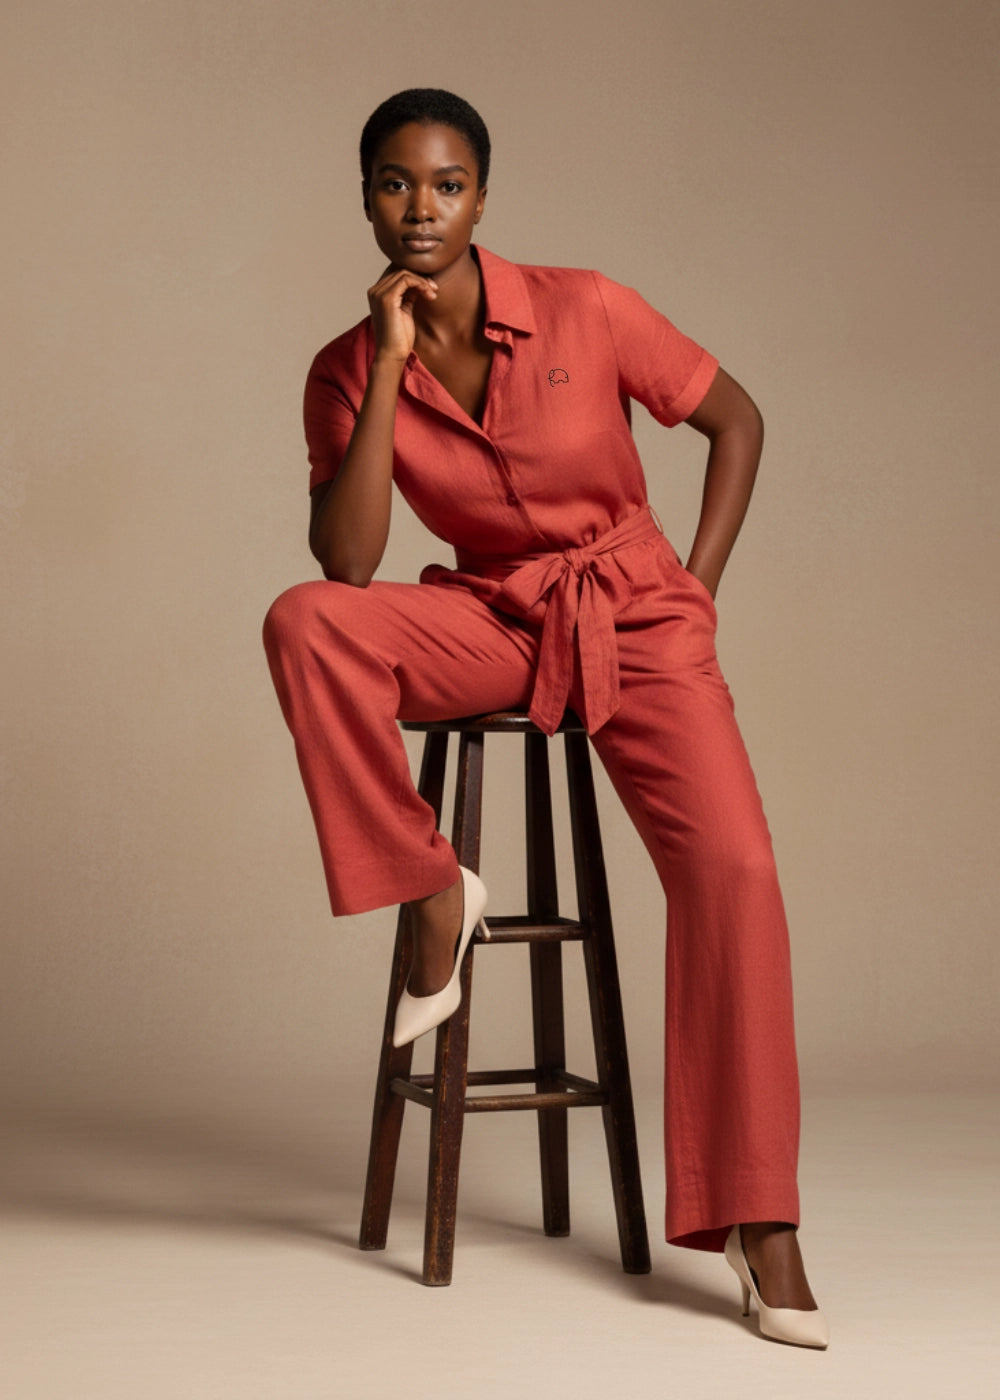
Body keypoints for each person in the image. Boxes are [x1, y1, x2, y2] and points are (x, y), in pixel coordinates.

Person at [263, 88, 829, 1349]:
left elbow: (734, 417)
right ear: (366, 199)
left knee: (735, 871)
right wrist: (389, 366)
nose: (421, 208)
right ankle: (430, 886)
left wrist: (696, 590)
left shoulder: (587, 305)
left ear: (483, 196)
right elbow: (348, 563)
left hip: (638, 614)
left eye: (447, 183)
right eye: (395, 184)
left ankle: (760, 1216)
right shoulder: (343, 369)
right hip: (497, 617)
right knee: (305, 622)